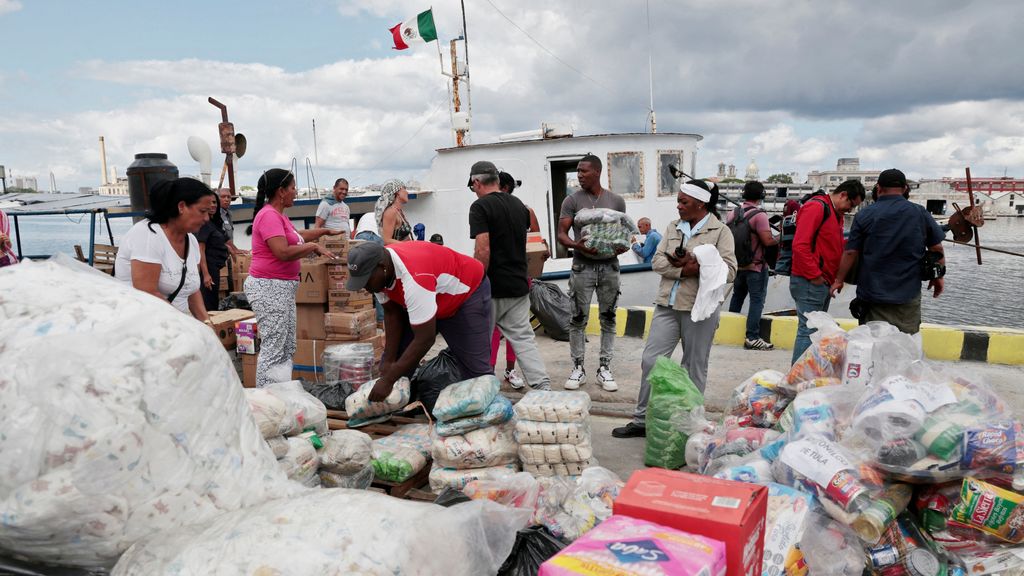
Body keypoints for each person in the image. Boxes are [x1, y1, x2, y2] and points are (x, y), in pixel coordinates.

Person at [613, 179, 737, 438]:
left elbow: (730, 270)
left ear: (701, 204)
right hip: (666, 305)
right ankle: (642, 420)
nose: (678, 206)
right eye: (679, 201)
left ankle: (689, 424)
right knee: (651, 360)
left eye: (684, 201)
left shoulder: (720, 231)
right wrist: (683, 270)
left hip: (699, 309)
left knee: (694, 365)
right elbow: (657, 262)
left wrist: (699, 266)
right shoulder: (673, 228)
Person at [345, 241, 493, 413]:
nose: (365, 287)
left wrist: (388, 381)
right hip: (428, 297)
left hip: (465, 295)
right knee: (398, 361)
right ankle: (394, 407)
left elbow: (425, 339)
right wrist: (389, 360)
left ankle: (489, 423)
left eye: (366, 280)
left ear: (382, 266)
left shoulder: (414, 276)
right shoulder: (379, 275)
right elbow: (392, 313)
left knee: (476, 373)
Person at [244, 168, 342, 388]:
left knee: (287, 346)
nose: (295, 192)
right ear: (281, 191)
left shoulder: (279, 216)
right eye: (293, 187)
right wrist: (313, 246)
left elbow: (297, 237)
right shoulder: (268, 215)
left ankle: (281, 391)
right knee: (273, 347)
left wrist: (323, 232)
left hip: (282, 288)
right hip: (268, 287)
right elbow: (282, 251)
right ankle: (267, 399)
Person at [469, 161, 551, 391]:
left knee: (480, 341)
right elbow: (532, 243)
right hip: (518, 283)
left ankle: (481, 392)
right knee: (523, 338)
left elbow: (483, 249)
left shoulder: (480, 207)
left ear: (477, 182)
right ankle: (542, 387)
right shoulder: (520, 207)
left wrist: (475, 283)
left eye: (473, 187)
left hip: (492, 286)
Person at [831, 169, 945, 334]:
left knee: (872, 344)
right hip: (907, 294)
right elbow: (937, 248)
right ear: (905, 188)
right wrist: (938, 276)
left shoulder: (864, 214)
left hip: (872, 294)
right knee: (905, 345)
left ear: (878, 188)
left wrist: (839, 280)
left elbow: (850, 252)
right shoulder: (919, 213)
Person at [557, 154, 627, 391]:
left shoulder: (616, 201)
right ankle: (578, 368)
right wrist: (577, 245)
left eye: (583, 171)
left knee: (608, 318)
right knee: (577, 319)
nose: (579, 175)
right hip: (582, 266)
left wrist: (623, 246)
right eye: (577, 171)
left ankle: (604, 368)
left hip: (610, 266)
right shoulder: (571, 201)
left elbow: (623, 234)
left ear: (597, 172)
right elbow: (561, 234)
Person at [114, 178, 215, 321]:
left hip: (175, 325)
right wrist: (187, 327)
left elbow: (191, 290)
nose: (206, 219)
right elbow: (147, 292)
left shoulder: (191, 240)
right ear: (181, 206)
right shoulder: (147, 235)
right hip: (143, 325)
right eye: (202, 211)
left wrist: (207, 324)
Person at [789, 179, 866, 362]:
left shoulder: (834, 212)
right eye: (851, 204)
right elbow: (800, 245)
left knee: (817, 329)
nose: (850, 209)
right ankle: (796, 378)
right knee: (809, 330)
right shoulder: (817, 208)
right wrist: (815, 276)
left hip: (821, 281)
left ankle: (804, 374)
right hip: (810, 280)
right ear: (843, 194)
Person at [725, 181, 778, 351]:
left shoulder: (732, 213)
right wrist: (783, 235)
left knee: (737, 297)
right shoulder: (760, 215)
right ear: (762, 195)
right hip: (755, 267)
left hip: (738, 265)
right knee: (757, 301)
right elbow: (768, 241)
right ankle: (752, 337)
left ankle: (729, 330)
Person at [197, 193, 230, 312]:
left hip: (215, 268)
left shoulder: (214, 223)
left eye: (214, 202)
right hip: (208, 268)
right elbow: (201, 249)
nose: (213, 205)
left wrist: (230, 249)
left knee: (214, 301)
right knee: (209, 303)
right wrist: (206, 274)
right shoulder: (204, 224)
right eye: (209, 202)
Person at [375, 179, 413, 245]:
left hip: (404, 251)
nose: (407, 192)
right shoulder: (391, 212)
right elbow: (387, 240)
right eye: (404, 189)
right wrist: (407, 246)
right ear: (397, 192)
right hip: (398, 252)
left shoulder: (398, 211)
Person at [216, 188, 244, 256]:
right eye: (223, 197)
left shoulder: (228, 215)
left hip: (228, 254)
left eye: (229, 197)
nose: (227, 199)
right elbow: (220, 237)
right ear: (217, 199)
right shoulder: (215, 215)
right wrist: (235, 249)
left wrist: (235, 249)